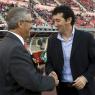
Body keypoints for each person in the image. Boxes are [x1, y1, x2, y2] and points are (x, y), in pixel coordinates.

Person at [0, 7, 59, 95]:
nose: (32, 25)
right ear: (20, 23)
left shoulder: (5, 43)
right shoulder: (16, 48)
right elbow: (33, 82)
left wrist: (36, 68)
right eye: (30, 22)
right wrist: (52, 81)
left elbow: (17, 73)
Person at [45, 5, 95, 95]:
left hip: (84, 88)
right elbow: (49, 63)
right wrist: (51, 72)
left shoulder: (86, 38)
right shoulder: (52, 40)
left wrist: (85, 78)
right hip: (62, 89)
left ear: (69, 20)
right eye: (54, 21)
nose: (55, 24)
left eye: (58, 20)